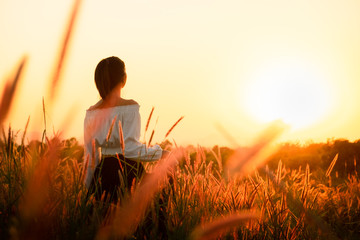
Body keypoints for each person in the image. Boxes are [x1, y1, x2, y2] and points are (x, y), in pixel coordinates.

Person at [83, 56, 167, 202]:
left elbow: (90, 157)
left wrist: (88, 190)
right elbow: (130, 149)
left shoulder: (91, 113)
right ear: (124, 79)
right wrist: (160, 153)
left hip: (102, 174)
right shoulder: (130, 108)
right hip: (128, 171)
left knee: (104, 220)